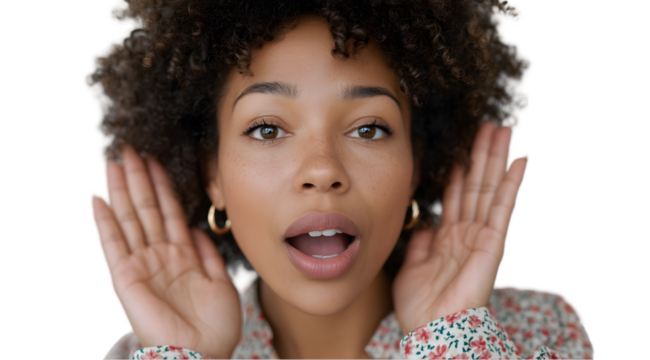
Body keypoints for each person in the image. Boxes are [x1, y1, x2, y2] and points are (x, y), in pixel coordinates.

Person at [85, 0, 594, 359]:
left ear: (417, 163)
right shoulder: (152, 352)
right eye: (267, 128)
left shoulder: (541, 328)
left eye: (369, 128)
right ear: (211, 174)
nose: (323, 169)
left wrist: (454, 335)